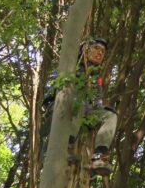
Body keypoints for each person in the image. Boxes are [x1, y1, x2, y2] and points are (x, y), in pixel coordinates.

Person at [40, 37, 118, 176]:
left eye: (103, 51)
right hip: (62, 107)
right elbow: (54, 88)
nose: (100, 53)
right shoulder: (71, 66)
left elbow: (96, 102)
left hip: (83, 112)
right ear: (85, 49)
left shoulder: (95, 78)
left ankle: (99, 156)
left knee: (110, 115)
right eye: (96, 48)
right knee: (79, 102)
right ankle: (65, 148)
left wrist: (102, 109)